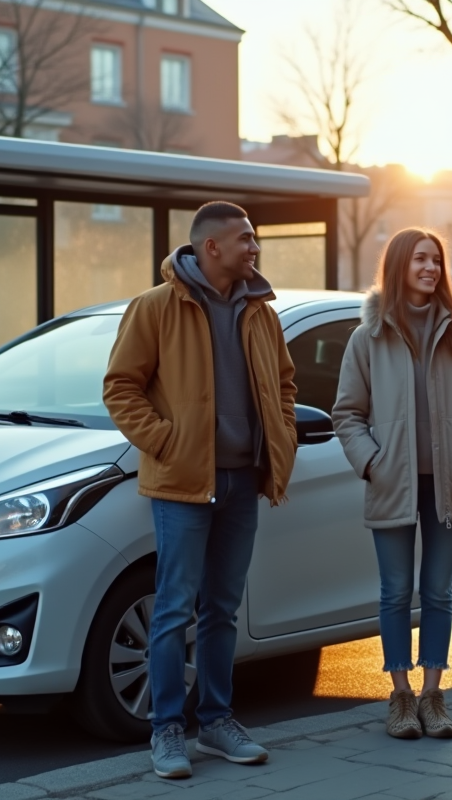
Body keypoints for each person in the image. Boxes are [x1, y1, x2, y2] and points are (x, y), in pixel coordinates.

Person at [103, 201, 298, 780]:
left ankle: (215, 722)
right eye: (245, 239)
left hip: (243, 481)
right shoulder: (156, 308)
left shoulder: (260, 311)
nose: (254, 248)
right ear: (211, 247)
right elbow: (120, 387)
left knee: (221, 609)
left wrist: (280, 434)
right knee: (172, 610)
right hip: (184, 483)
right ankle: (167, 731)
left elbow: (283, 383)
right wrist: (167, 442)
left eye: (254, 238)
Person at [332, 227, 452, 740]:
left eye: (436, 260)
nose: (430, 267)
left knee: (439, 592)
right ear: (399, 265)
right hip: (391, 483)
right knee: (396, 592)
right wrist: (372, 461)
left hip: (447, 483)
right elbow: (347, 414)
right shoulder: (368, 338)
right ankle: (399, 696)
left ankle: (433, 695)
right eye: (420, 259)